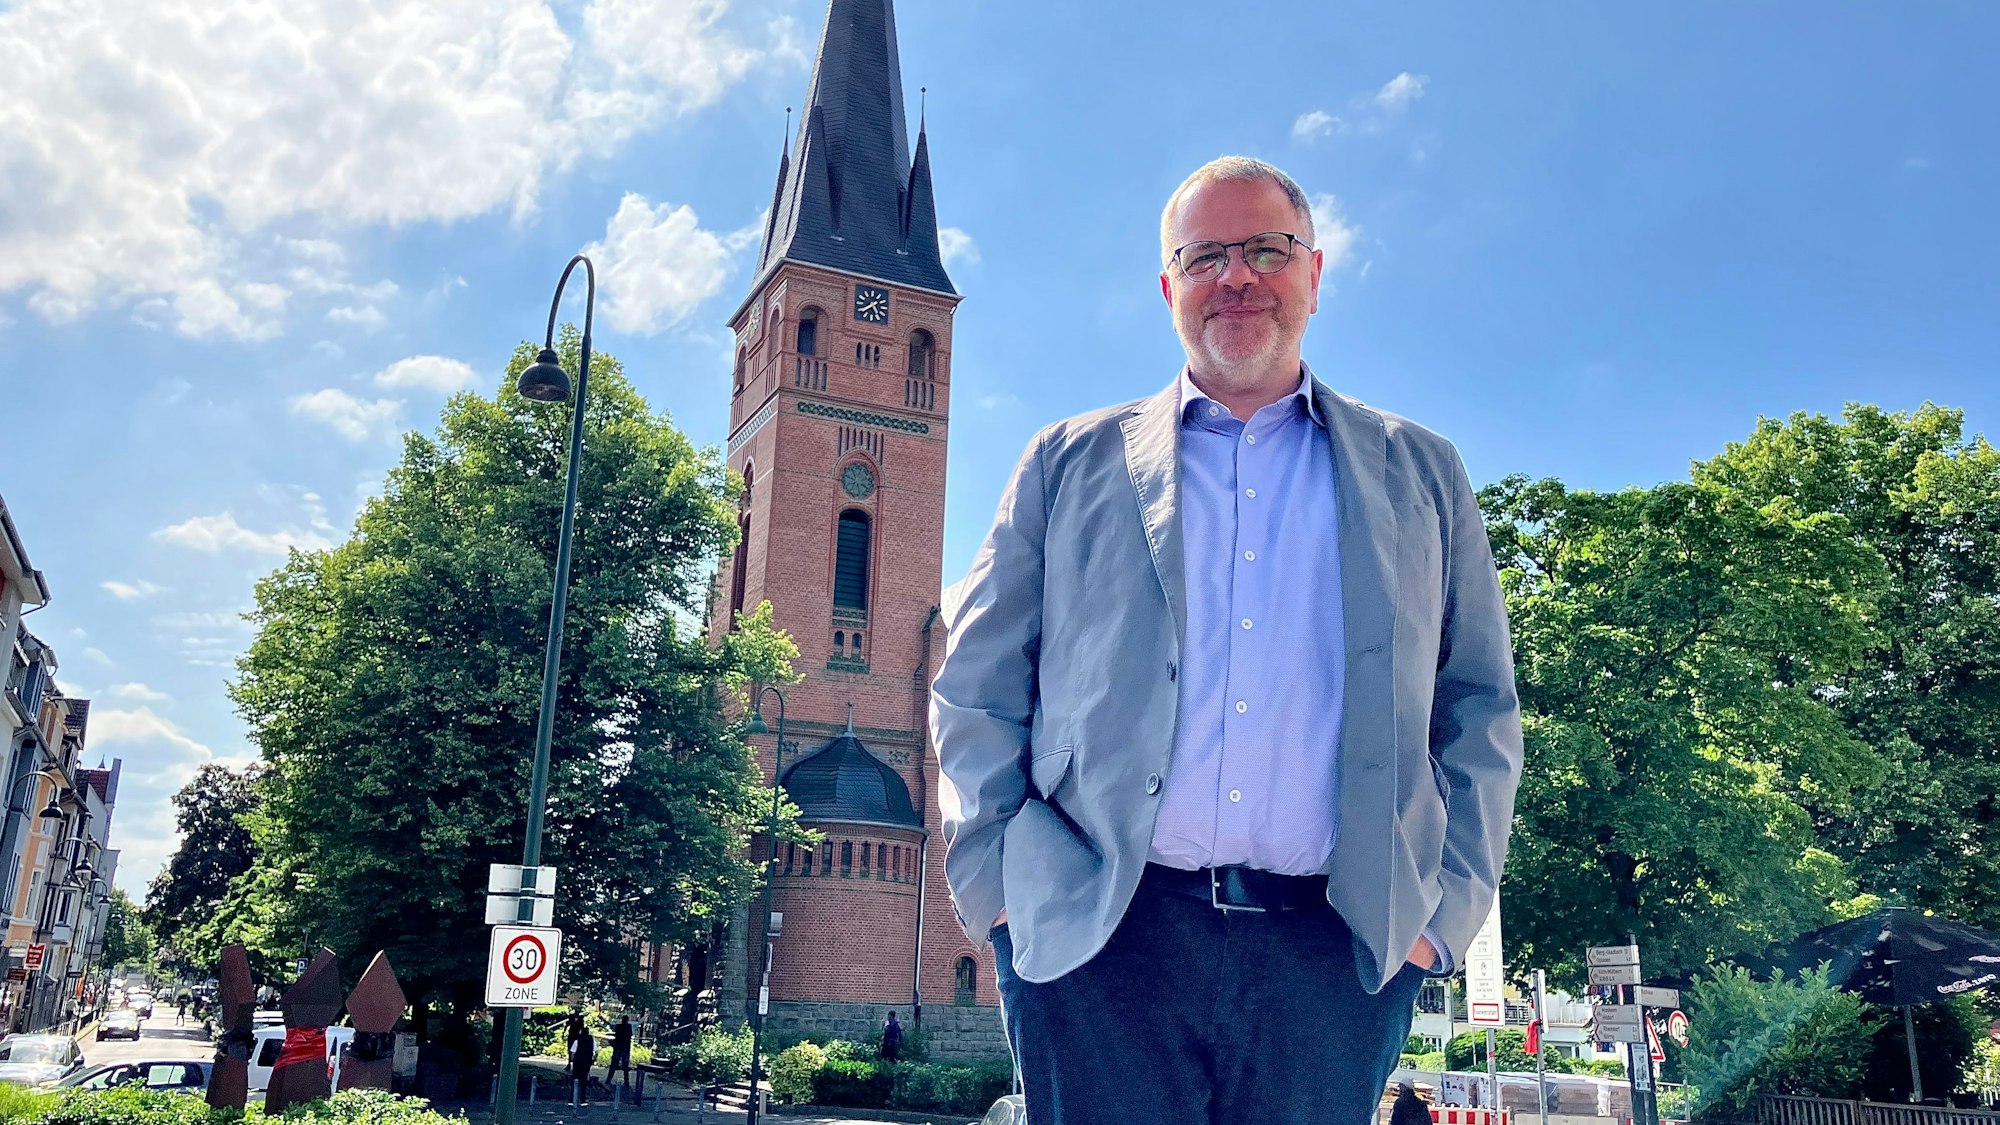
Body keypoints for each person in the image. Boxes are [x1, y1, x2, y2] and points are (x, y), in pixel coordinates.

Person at [932, 155, 1524, 1125]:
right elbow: (976, 684)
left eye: (1264, 249)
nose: (1236, 277)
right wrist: (998, 894)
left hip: (1335, 952)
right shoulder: (1064, 462)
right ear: (1169, 288)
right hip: (1097, 944)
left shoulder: (1420, 473)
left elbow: (1477, 708)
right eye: (1205, 256)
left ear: (1314, 274)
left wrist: (1440, 916)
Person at [566, 1016, 595, 1106]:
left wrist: (571, 1061)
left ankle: (571, 1100)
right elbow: (596, 1051)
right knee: (584, 1082)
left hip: (577, 1063)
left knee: (574, 1080)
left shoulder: (577, 1041)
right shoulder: (591, 1041)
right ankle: (583, 1100)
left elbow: (573, 1052)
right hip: (586, 1063)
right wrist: (593, 1059)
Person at [606, 1015, 634, 1090]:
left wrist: (613, 1042)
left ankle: (609, 1079)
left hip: (619, 1048)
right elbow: (629, 1036)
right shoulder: (629, 1027)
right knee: (625, 1066)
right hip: (625, 1048)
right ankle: (626, 1082)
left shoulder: (619, 1027)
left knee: (614, 1064)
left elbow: (616, 1035)